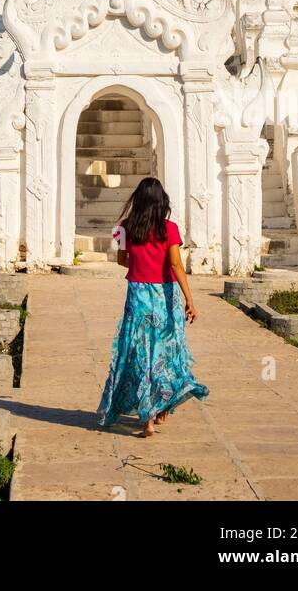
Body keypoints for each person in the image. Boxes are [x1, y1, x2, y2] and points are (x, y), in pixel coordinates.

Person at [97, 177, 208, 438]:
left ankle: (148, 418)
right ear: (162, 202)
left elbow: (121, 261)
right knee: (166, 352)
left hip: (137, 295)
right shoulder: (169, 229)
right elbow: (176, 265)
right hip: (164, 295)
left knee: (141, 354)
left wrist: (140, 265)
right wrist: (190, 299)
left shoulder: (124, 228)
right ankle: (160, 409)